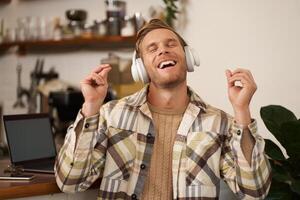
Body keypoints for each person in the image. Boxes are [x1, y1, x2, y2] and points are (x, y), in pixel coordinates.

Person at [55, 19, 271, 199]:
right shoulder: (112, 115)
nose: (163, 51)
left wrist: (242, 110)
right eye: (152, 49)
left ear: (188, 57)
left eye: (171, 44)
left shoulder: (218, 122)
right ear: (140, 68)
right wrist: (91, 106)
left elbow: (255, 191)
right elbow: (70, 181)